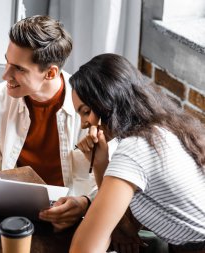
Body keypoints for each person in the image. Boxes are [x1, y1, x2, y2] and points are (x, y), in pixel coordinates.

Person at [0, 15, 94, 231]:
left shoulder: (89, 107)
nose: (5, 75)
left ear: (50, 73)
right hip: (10, 215)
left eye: (19, 69)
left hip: (69, 222)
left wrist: (84, 203)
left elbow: (107, 178)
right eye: (7, 61)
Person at [69, 53, 205, 252]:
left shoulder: (136, 149)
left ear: (106, 102)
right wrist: (100, 164)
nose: (83, 123)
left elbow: (84, 248)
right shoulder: (161, 129)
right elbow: (128, 226)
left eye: (86, 111)